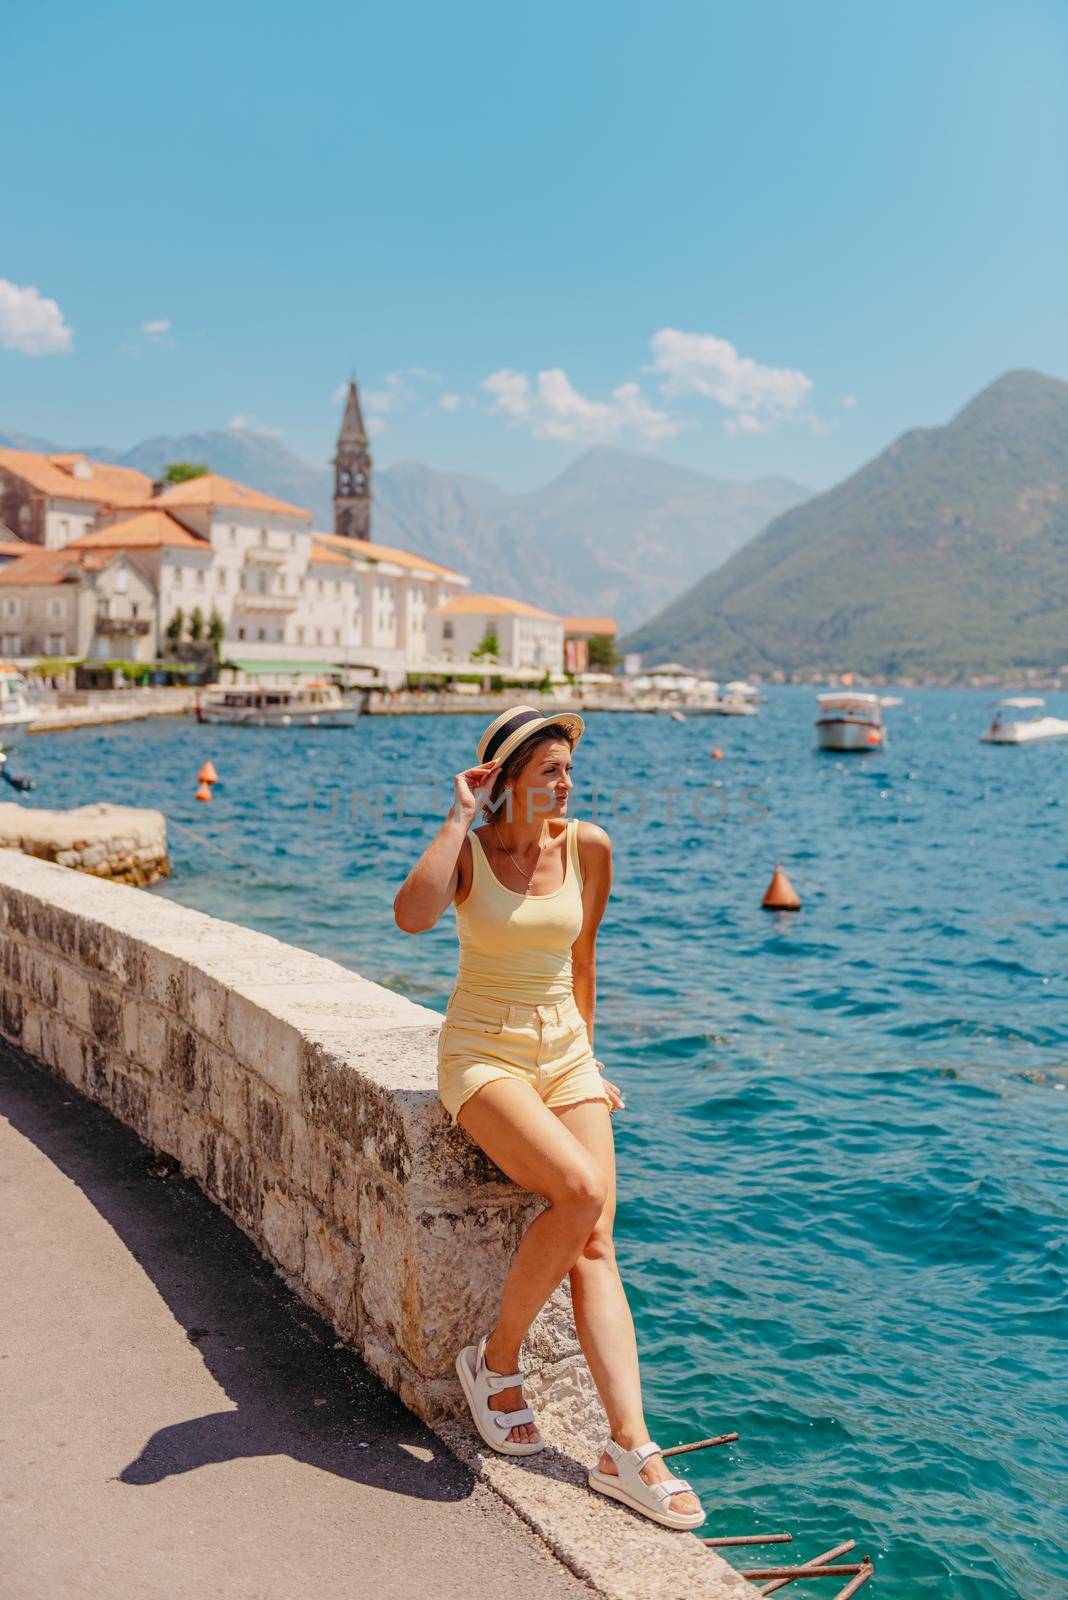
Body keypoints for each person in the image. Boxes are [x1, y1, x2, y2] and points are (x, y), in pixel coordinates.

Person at [393, 705, 705, 1531]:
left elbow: (582, 957)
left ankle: (628, 1449)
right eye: (550, 771)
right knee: (577, 1189)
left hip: (564, 1052)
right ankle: (496, 1366)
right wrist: (460, 814)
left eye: (568, 767)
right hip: (482, 1054)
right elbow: (412, 916)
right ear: (506, 781)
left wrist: (590, 1061)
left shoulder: (588, 846)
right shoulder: (471, 852)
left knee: (597, 1234)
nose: (567, 783)